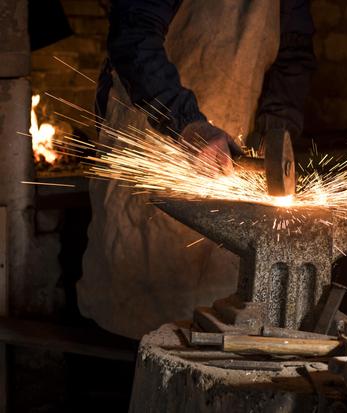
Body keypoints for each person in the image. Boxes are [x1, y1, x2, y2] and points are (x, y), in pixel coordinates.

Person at [77, 0, 316, 338]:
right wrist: (187, 124)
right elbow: (133, 37)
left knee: (215, 317)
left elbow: (293, 57)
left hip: (228, 159)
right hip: (152, 146)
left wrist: (275, 128)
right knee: (133, 317)